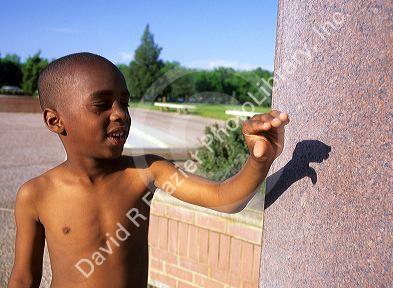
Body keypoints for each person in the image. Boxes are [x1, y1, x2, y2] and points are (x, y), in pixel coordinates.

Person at [7, 52, 290, 288]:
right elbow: (23, 279)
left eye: (124, 103)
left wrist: (259, 160)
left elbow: (225, 198)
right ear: (55, 121)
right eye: (101, 104)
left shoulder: (146, 172)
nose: (120, 114)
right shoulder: (36, 195)